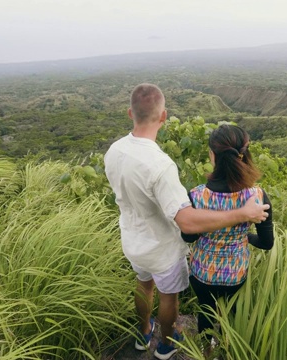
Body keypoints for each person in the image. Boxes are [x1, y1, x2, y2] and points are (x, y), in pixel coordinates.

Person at [104, 84, 269, 360]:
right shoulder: (160, 165)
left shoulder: (114, 150)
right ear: (164, 116)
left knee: (143, 285)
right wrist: (242, 214)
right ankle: (167, 346)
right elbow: (187, 223)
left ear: (129, 112)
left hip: (132, 240)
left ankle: (143, 334)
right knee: (168, 297)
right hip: (162, 248)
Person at [181, 124, 274, 352]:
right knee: (230, 312)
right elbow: (267, 243)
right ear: (244, 154)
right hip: (236, 272)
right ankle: (225, 347)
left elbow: (189, 238)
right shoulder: (257, 196)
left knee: (205, 309)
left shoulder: (195, 195)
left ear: (212, 155)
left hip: (202, 271)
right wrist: (244, 238)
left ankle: (205, 350)